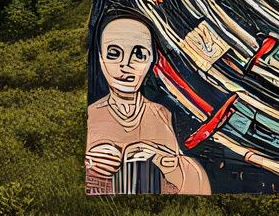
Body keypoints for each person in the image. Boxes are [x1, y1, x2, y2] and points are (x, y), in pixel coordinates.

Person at [83, 13, 212, 197]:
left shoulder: (162, 114)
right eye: (114, 54)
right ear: (100, 58)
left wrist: (163, 161)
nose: (125, 64)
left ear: (151, 59)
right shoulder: (90, 116)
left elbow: (193, 183)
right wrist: (90, 166)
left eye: (139, 54)